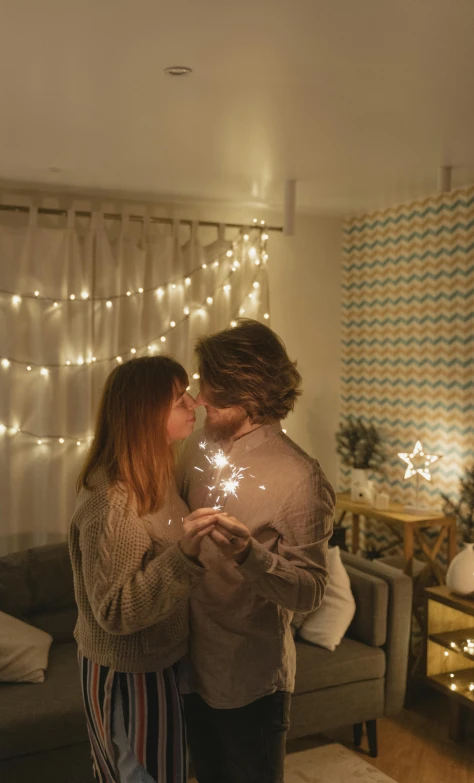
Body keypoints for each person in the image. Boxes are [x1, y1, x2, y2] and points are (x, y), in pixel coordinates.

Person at [178, 319, 336, 783]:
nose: (201, 398)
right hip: (189, 668)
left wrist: (251, 555)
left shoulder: (299, 477)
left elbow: (309, 591)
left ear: (248, 390)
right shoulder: (198, 445)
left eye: (213, 387)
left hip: (248, 680)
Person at [69, 356, 219, 783]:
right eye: (177, 399)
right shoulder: (113, 501)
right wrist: (185, 555)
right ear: (145, 414)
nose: (194, 403)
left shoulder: (158, 474)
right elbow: (114, 610)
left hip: (159, 663)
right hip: (127, 675)